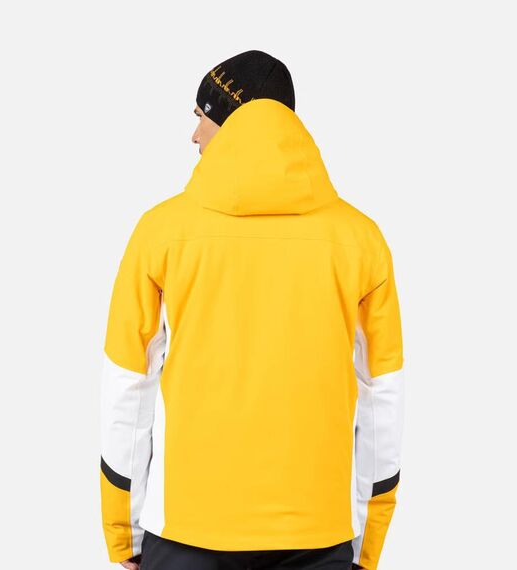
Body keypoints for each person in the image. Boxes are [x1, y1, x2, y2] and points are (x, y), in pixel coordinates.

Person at [99, 49, 405, 570]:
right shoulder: (360, 240)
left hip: (188, 534)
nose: (194, 135)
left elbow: (128, 388)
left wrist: (122, 532)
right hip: (318, 536)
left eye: (202, 116)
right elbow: (383, 400)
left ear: (233, 121)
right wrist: (365, 540)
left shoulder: (161, 233)